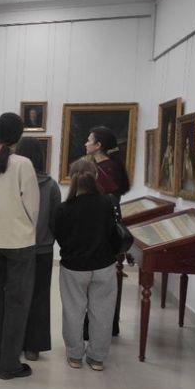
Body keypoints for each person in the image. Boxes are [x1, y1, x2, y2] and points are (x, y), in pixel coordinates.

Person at [0, 113, 39, 380]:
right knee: (17, 303)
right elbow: (32, 207)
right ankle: (9, 364)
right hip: (18, 241)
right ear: (19, 135)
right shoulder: (23, 164)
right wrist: (27, 228)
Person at [54, 159, 119, 371]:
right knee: (102, 312)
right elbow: (113, 233)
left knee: (73, 311)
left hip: (74, 267)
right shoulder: (107, 203)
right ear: (96, 176)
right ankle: (97, 358)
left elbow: (59, 236)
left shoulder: (63, 209)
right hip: (104, 265)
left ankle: (75, 356)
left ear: (72, 178)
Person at [15, 137, 61, 362]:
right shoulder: (51, 185)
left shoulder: (14, 182)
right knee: (40, 297)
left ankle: (13, 341)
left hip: (16, 246)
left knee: (15, 296)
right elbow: (55, 220)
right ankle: (33, 346)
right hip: (42, 248)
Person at [85, 126, 130, 337]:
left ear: (98, 145)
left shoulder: (108, 168)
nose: (86, 143)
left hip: (101, 230)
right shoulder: (104, 165)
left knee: (99, 284)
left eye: (89, 140)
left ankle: (101, 326)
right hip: (99, 228)